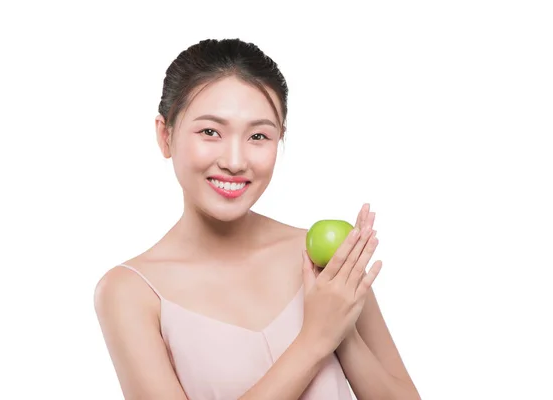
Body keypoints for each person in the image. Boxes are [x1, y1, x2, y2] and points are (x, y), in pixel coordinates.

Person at [94, 38, 420, 400]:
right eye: (210, 132)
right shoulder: (129, 292)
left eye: (259, 136)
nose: (235, 161)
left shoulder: (326, 260)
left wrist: (344, 332)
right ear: (165, 135)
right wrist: (316, 339)